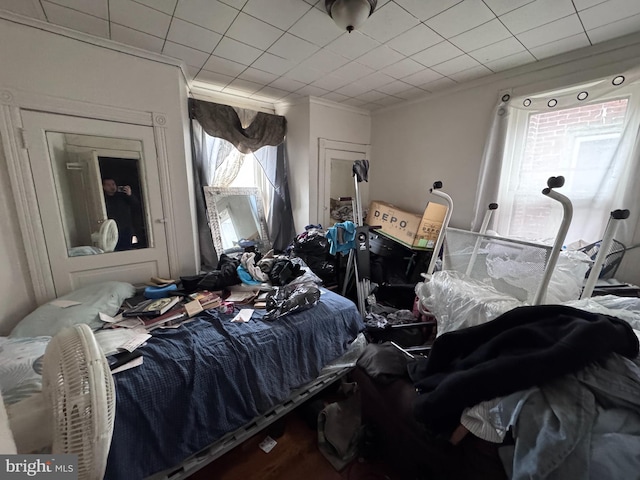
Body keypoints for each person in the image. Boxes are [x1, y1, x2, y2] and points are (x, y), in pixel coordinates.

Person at [102, 177, 138, 251]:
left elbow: (136, 205)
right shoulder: (102, 199)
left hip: (126, 228)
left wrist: (129, 195)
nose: (112, 187)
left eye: (113, 184)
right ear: (103, 187)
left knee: (127, 249)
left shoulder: (122, 196)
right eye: (108, 185)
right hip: (112, 229)